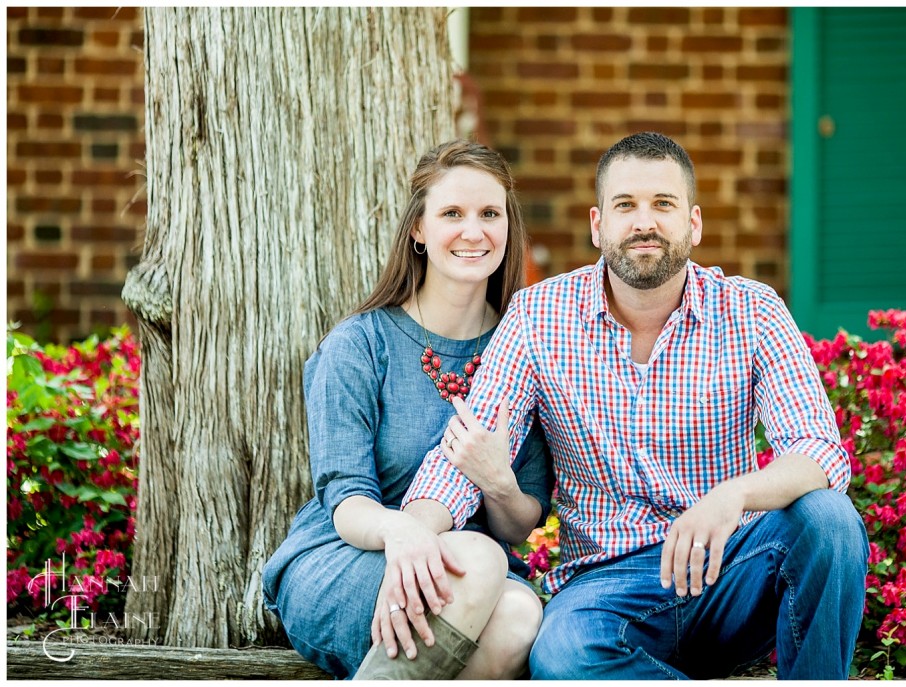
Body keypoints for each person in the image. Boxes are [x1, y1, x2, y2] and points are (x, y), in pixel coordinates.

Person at [401, 131, 869, 679]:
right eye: (625, 205)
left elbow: (819, 449)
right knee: (563, 655)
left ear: (693, 224)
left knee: (828, 520)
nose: (644, 222)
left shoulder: (752, 311)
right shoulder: (538, 317)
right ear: (598, 226)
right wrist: (411, 535)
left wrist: (734, 495)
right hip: (604, 589)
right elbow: (464, 455)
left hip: (730, 567)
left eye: (663, 204)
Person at [262, 139, 552, 680]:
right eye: (452, 214)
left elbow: (519, 524)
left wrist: (497, 482)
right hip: (349, 558)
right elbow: (345, 499)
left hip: (469, 579)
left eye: (490, 213)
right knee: (476, 559)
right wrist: (405, 536)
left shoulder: (519, 350)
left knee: (520, 615)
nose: (474, 231)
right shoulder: (359, 344)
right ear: (418, 229)